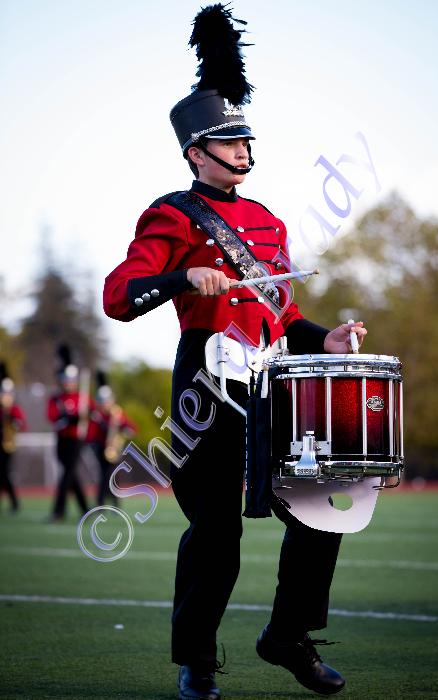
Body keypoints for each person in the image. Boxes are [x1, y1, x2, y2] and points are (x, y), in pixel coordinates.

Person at [103, 5, 366, 698]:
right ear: (196, 152)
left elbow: (283, 314)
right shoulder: (171, 214)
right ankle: (196, 661)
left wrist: (324, 338)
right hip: (207, 385)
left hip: (272, 383)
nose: (243, 148)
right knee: (216, 534)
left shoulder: (270, 223)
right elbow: (118, 295)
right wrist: (181, 277)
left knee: (319, 508)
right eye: (228, 140)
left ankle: (287, 635)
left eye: (245, 137)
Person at [47, 345, 92, 522]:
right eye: (66, 380)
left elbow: (92, 414)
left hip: (76, 440)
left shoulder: (82, 398)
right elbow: (53, 418)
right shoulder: (56, 398)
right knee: (71, 474)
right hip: (62, 440)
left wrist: (85, 414)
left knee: (66, 474)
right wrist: (67, 418)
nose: (69, 383)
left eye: (71, 380)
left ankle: (59, 511)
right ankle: (86, 509)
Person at [88, 371, 136, 506]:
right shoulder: (96, 415)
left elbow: (131, 427)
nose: (105, 404)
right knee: (104, 475)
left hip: (114, 448)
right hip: (100, 447)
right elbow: (91, 432)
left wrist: (125, 430)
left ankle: (114, 502)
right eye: (103, 402)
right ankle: (101, 503)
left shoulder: (117, 413)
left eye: (107, 401)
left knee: (113, 475)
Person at [0, 362, 27, 513]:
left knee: (4, 473)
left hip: (7, 445)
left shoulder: (14, 409)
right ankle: (14, 503)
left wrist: (12, 419)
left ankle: (14, 502)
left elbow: (22, 425)